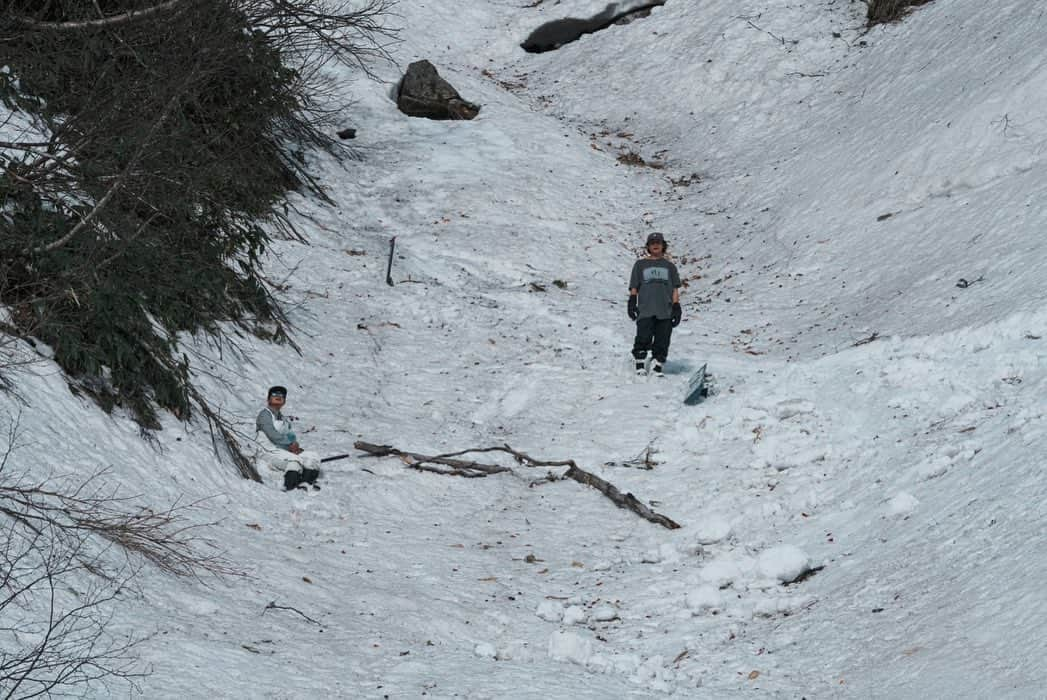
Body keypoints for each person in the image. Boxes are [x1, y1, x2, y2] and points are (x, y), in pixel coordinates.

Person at [627, 232, 682, 377]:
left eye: (658, 242)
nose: (655, 245)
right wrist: (632, 301)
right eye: (652, 243)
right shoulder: (640, 265)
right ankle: (639, 362)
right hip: (646, 308)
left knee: (663, 339)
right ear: (648, 247)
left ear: (663, 246)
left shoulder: (670, 267)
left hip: (665, 310)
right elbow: (634, 285)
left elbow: (675, 288)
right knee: (643, 336)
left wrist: (676, 306)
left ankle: (657, 364)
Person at [255, 386, 321, 491]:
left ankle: (305, 483)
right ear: (268, 399)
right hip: (267, 452)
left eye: (281, 395)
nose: (278, 397)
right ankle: (290, 486)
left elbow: (290, 435)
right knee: (295, 462)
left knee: (313, 458)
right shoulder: (264, 415)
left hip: (282, 452)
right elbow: (272, 434)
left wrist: (295, 446)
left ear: (284, 401)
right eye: (274, 395)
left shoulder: (283, 419)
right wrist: (290, 444)